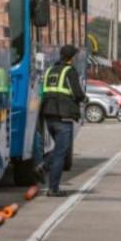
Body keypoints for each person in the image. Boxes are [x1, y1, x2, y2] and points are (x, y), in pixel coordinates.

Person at [35, 45, 86, 197]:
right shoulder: (69, 71)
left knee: (59, 149)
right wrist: (84, 98)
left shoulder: (50, 70)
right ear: (72, 58)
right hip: (63, 116)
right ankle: (53, 188)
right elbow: (77, 93)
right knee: (60, 154)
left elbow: (43, 92)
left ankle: (44, 166)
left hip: (48, 116)